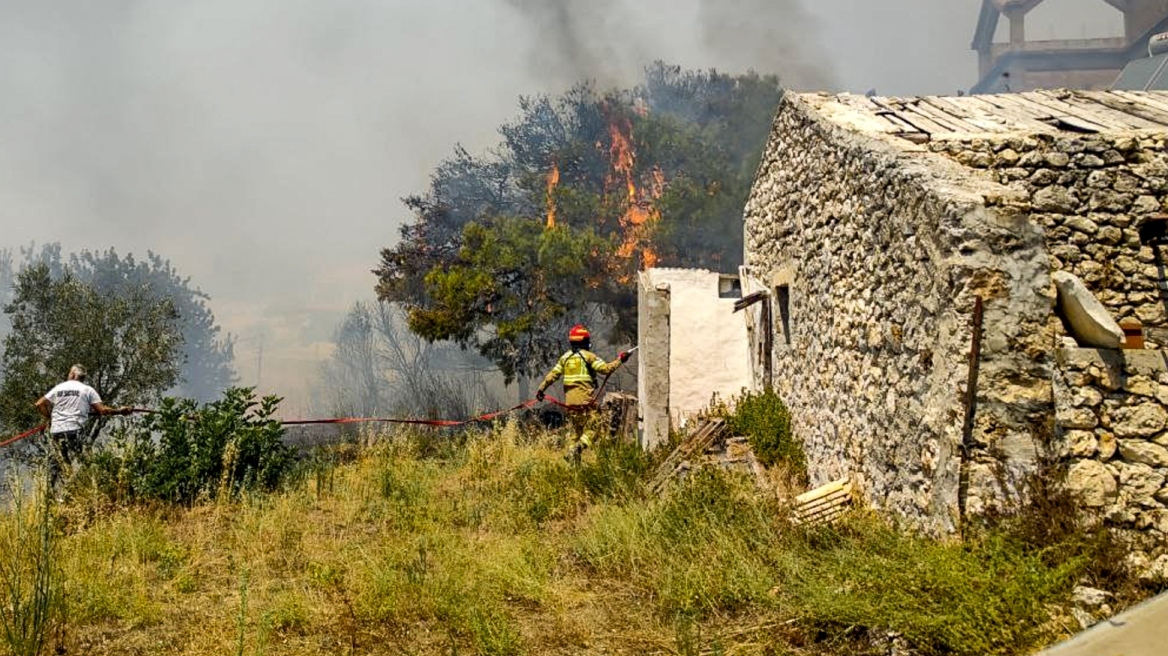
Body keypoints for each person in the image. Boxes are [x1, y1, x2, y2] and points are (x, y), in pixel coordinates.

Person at [536, 324, 630, 463]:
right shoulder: (589, 356)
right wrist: (621, 359)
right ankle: (578, 448)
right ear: (584, 342)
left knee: (575, 433)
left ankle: (574, 465)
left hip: (570, 405)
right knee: (595, 427)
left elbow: (552, 375)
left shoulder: (565, 358)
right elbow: (606, 369)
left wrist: (541, 390)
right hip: (585, 403)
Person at [35, 364, 130, 481]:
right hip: (75, 430)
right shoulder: (88, 390)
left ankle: (53, 491)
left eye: (69, 373)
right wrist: (120, 411)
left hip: (57, 431)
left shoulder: (59, 388)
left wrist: (50, 418)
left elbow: (40, 404)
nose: (68, 375)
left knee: (58, 462)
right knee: (80, 461)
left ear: (73, 375)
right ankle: (78, 487)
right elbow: (102, 410)